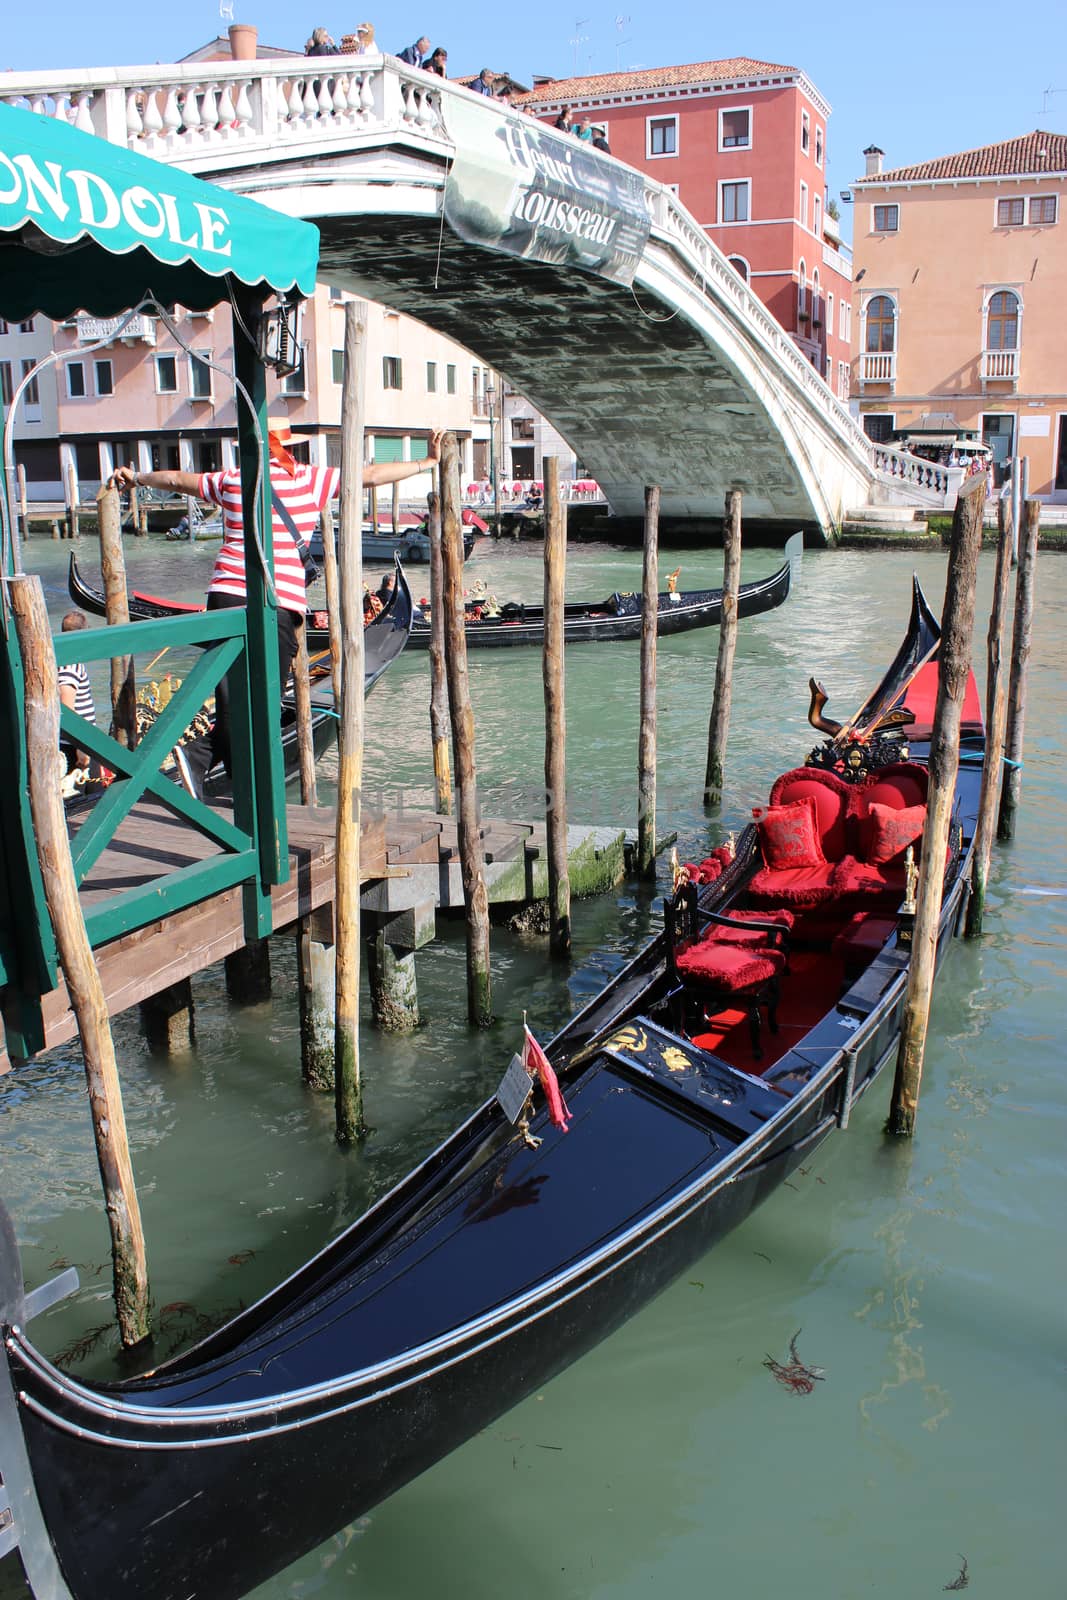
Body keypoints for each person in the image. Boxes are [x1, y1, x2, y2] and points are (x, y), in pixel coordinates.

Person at [111, 425, 443, 793]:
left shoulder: (232, 479)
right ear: (288, 448)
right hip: (277, 599)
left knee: (230, 691)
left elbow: (175, 478)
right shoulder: (310, 479)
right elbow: (371, 475)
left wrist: (136, 477)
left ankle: (208, 762)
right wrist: (427, 461)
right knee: (266, 696)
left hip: (224, 593)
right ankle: (220, 770)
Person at [57, 610, 96, 773]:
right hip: (73, 748)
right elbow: (67, 710)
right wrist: (81, 748)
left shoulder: (67, 659)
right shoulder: (69, 666)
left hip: (75, 743)